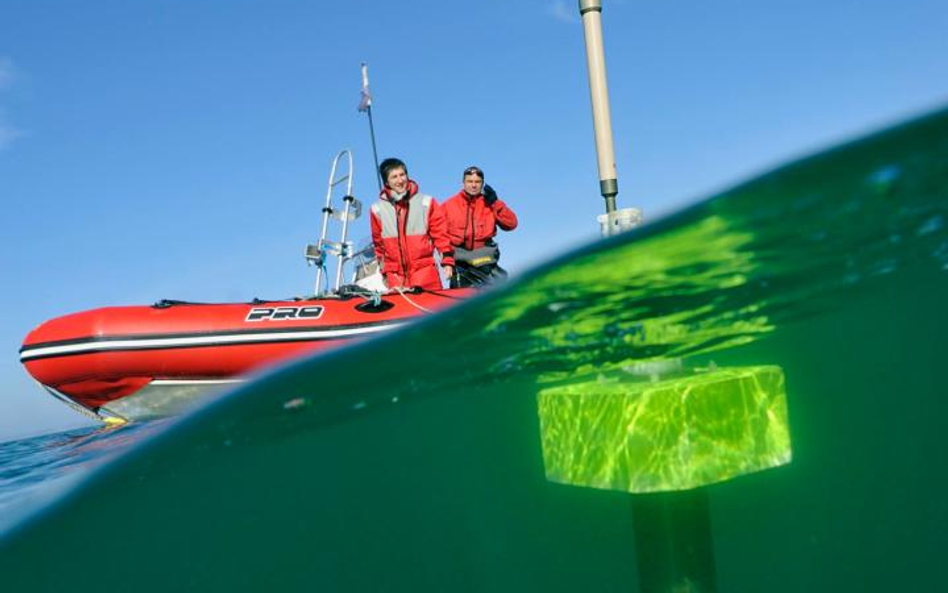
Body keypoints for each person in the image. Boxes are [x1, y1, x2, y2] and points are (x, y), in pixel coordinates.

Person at [370, 158, 454, 291]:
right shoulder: (377, 210)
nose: (400, 180)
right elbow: (379, 245)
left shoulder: (426, 202)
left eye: (402, 175)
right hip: (396, 278)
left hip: (425, 273)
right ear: (387, 182)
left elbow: (441, 235)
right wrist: (384, 273)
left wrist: (447, 262)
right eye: (394, 177)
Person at [442, 165, 518, 287]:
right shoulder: (448, 206)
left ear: (482, 184)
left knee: (504, 286)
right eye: (470, 181)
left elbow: (511, 224)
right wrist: (447, 262)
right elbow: (438, 236)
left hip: (486, 262)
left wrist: (495, 203)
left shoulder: (490, 203)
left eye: (477, 182)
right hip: (461, 265)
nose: (473, 185)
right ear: (463, 183)